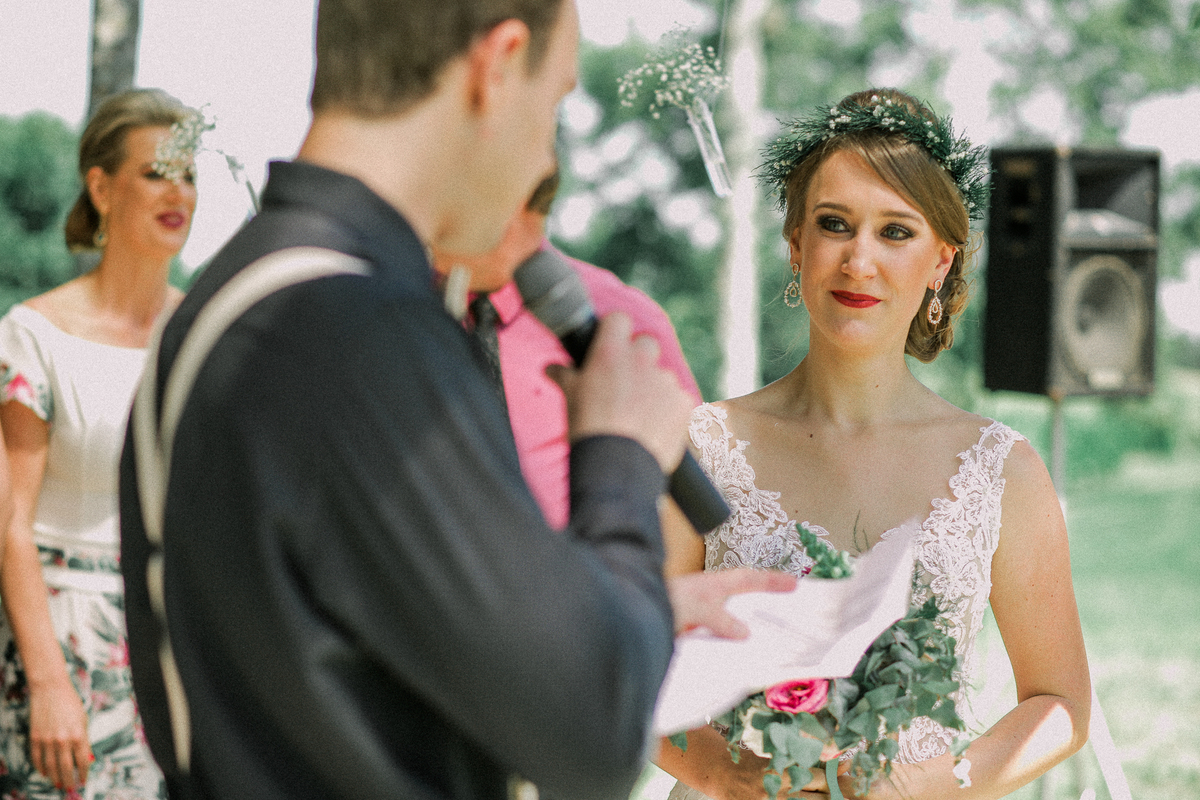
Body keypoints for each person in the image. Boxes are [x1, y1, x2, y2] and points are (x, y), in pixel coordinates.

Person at [117, 2, 788, 800]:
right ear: (498, 63)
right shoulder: (357, 330)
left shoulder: (246, 293)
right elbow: (591, 737)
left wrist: (607, 610)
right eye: (557, 102)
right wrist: (618, 454)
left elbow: (323, 646)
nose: (546, 149)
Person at [658, 88, 1092, 800]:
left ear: (941, 263)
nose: (860, 259)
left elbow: (1062, 703)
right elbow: (623, 668)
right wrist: (730, 775)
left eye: (895, 232)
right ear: (797, 246)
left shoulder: (1000, 470)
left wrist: (924, 785)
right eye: (835, 224)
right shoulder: (702, 448)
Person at [0, 87, 197, 799]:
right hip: (58, 651)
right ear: (101, 187)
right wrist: (49, 683)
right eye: (155, 171)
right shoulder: (34, 333)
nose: (178, 190)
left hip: (176, 655)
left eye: (189, 173)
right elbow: (9, 522)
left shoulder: (207, 332)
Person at [430, 167, 705, 570]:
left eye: (537, 200)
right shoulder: (377, 312)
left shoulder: (621, 317)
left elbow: (685, 524)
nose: (514, 227)